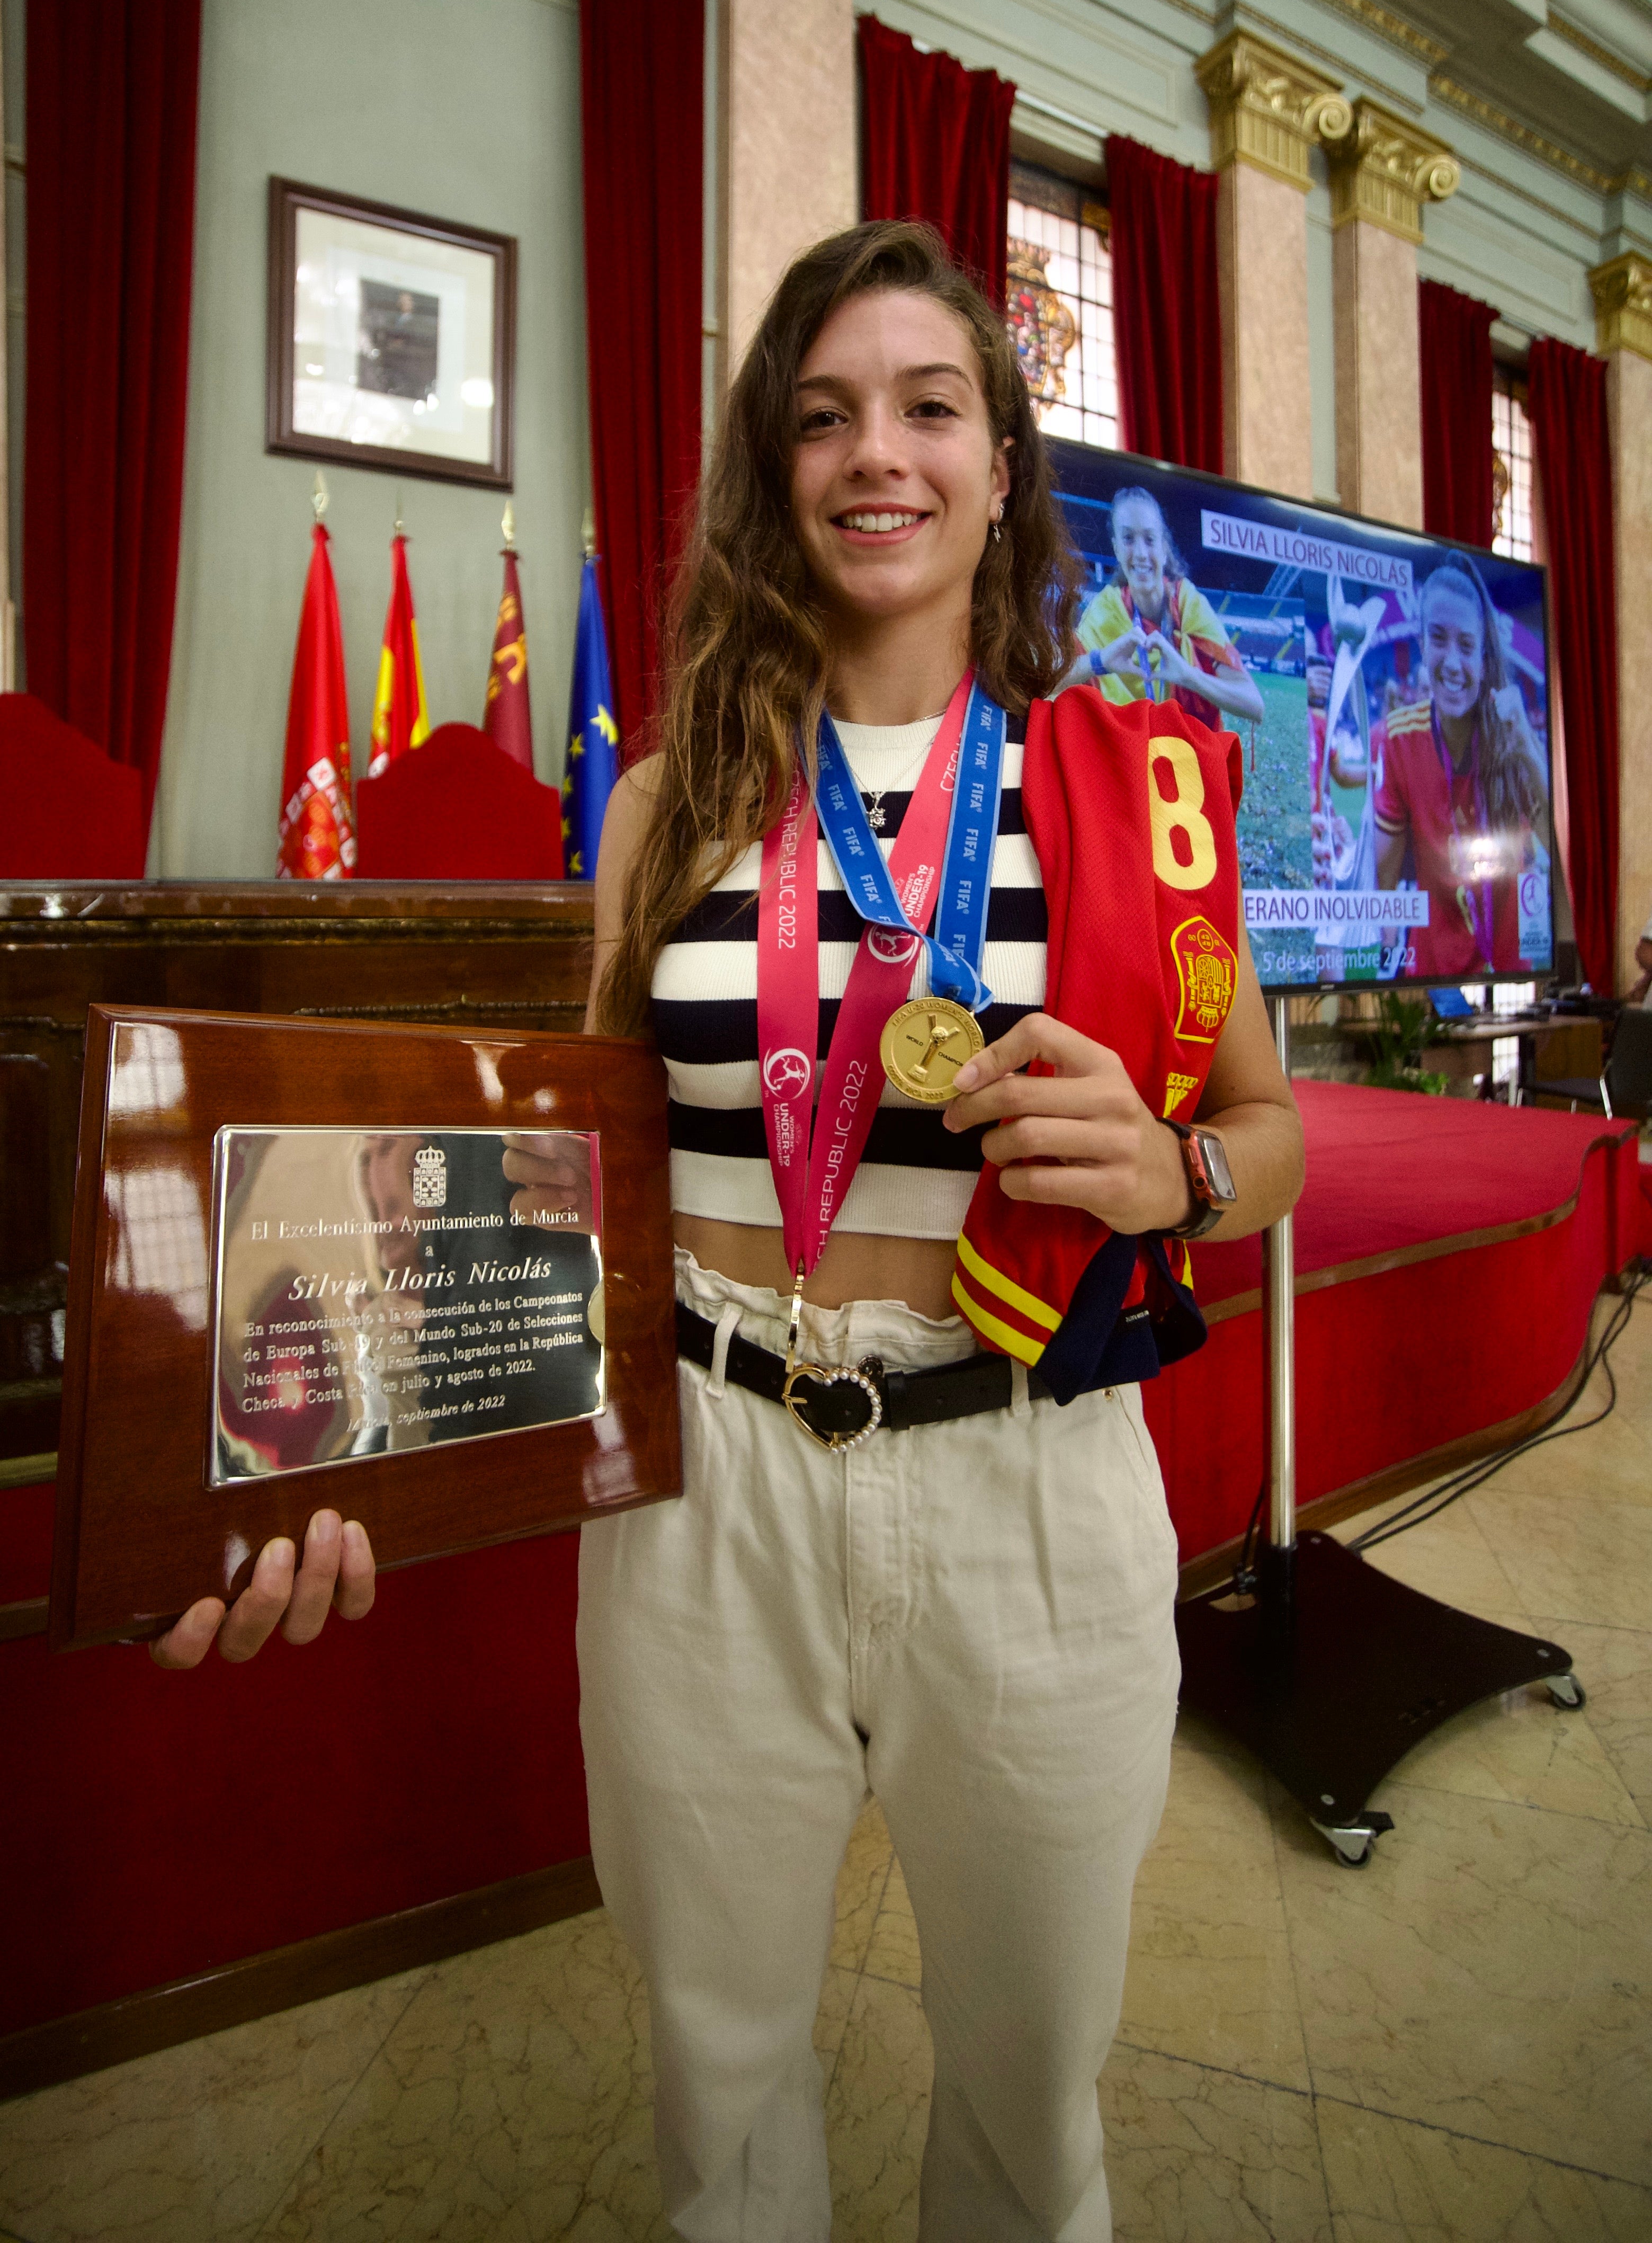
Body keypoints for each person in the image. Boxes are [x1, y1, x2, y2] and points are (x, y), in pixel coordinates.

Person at [150, 222, 1303, 2242]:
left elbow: (1266, 1128)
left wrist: (1184, 1174)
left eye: (929, 407)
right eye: (824, 414)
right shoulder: (669, 806)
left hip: (1026, 1473)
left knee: (1036, 2106)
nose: (880, 453)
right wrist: (300, 1450)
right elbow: (565, 1191)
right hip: (703, 1492)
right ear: (775, 471)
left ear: (1001, 462)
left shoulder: (1148, 795)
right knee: (720, 2083)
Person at [1375, 558, 1548, 978]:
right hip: (1431, 976)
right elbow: (1384, 881)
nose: (1452, 663)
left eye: (1467, 647)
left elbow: (1555, 843)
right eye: (1438, 639)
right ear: (1420, 641)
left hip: (1510, 967)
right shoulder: (1397, 738)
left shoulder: (1510, 737)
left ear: (1486, 659)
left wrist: (1525, 743)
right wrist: (1386, 950)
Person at [1074, 484, 1265, 726]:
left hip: (1188, 758)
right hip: (1127, 755)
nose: (1141, 553)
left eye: (1150, 539)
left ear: (1164, 549)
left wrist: (1189, 676)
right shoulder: (1104, 611)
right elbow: (1048, 684)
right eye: (1129, 539)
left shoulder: (1189, 606)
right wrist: (1099, 661)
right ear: (1117, 549)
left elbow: (1255, 705)